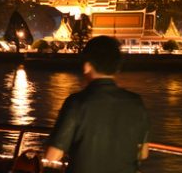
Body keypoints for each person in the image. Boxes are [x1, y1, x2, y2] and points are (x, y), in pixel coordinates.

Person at [44, 36, 150, 173]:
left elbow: (53, 155)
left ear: (87, 66)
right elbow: (143, 153)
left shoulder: (76, 102)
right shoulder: (137, 103)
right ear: (117, 68)